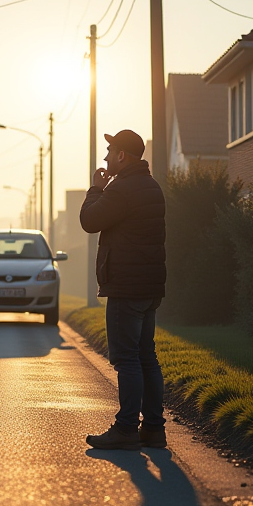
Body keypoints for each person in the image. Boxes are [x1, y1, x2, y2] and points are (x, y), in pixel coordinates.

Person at [79, 129, 167, 451]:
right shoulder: (152, 187)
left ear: (121, 155)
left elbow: (89, 220)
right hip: (149, 287)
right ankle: (154, 429)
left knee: (127, 360)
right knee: (146, 357)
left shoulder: (121, 189)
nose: (104, 157)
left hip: (126, 288)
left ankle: (127, 428)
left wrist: (95, 189)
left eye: (109, 151)